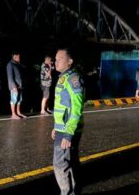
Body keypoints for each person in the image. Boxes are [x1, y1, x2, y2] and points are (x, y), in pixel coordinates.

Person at [51, 48, 84, 195]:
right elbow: (62, 107)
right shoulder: (63, 77)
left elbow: (76, 109)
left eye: (59, 58)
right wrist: (56, 127)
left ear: (69, 62)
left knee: (60, 164)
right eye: (55, 58)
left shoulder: (72, 79)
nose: (55, 61)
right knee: (70, 162)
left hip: (68, 130)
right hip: (62, 128)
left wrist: (68, 133)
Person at [6, 51, 26, 119]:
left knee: (19, 99)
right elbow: (10, 76)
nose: (20, 58)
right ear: (15, 57)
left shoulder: (17, 64)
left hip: (20, 85)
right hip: (14, 86)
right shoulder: (10, 64)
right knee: (14, 99)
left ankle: (18, 112)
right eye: (19, 57)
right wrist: (14, 86)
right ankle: (13, 114)